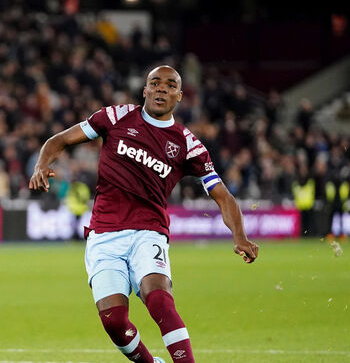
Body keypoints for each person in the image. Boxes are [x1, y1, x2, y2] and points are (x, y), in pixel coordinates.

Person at [29, 65, 259, 363]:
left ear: (179, 96)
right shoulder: (116, 117)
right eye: (155, 82)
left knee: (159, 300)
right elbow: (58, 140)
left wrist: (239, 236)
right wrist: (41, 165)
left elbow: (223, 196)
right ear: (145, 90)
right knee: (114, 322)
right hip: (104, 235)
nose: (162, 88)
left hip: (148, 232)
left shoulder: (187, 144)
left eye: (170, 85)